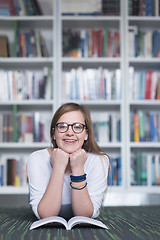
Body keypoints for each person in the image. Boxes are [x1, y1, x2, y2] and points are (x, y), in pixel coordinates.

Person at [27, 102, 109, 220]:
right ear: (54, 133)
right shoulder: (37, 159)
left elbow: (84, 215)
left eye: (77, 127)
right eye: (62, 126)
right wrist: (58, 167)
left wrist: (78, 169)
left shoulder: (100, 161)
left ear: (86, 134)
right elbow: (46, 215)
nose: (70, 133)